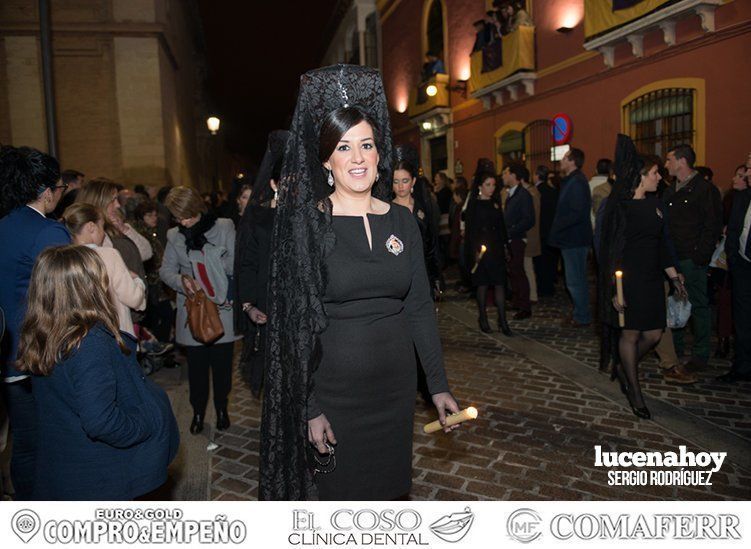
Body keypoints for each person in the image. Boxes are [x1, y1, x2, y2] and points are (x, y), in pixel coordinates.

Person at [260, 65, 459, 501]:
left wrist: (438, 384)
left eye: (366, 145)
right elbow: (294, 327)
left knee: (389, 495)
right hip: (335, 392)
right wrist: (310, 408)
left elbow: (420, 308)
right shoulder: (306, 224)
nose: (357, 157)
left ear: (378, 152)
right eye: (344, 147)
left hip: (395, 390)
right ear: (327, 160)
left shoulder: (403, 221)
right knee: (340, 501)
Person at [16, 245, 178, 500]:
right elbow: (101, 421)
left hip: (65, 467)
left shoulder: (43, 331)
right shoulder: (89, 341)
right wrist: (148, 421)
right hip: (99, 478)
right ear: (87, 287)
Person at [599, 137, 688, 419]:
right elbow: (611, 251)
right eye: (654, 174)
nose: (659, 178)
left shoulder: (657, 206)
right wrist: (614, 289)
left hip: (652, 279)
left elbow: (663, 245)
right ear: (640, 176)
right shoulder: (620, 208)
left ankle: (625, 367)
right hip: (628, 280)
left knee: (653, 333)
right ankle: (635, 393)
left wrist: (674, 277)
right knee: (631, 333)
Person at [0, 145, 71, 500]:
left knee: (23, 443)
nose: (62, 194)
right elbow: (69, 299)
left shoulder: (4, 224)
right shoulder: (49, 233)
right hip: (36, 355)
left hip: (6, 350)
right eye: (61, 188)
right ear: (46, 193)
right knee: (47, 443)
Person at [160, 186, 238, 434]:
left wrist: (209, 266)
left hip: (221, 309)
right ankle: (198, 412)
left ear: (197, 208)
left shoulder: (224, 227)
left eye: (187, 215)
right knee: (197, 372)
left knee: (223, 367)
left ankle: (222, 408)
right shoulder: (174, 235)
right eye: (178, 217)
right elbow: (166, 271)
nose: (183, 221)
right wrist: (182, 281)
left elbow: (235, 264)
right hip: (192, 310)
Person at [236, 130, 288, 399]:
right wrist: (248, 305)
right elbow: (247, 263)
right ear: (274, 183)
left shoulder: (312, 217)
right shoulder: (258, 218)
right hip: (267, 308)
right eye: (287, 181)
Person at [663, 144, 722, 371]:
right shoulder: (670, 190)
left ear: (682, 161)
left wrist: (700, 256)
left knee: (697, 304)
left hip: (691, 258)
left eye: (669, 160)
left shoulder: (704, 190)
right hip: (673, 258)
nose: (666, 164)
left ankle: (700, 354)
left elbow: (712, 225)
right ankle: (676, 349)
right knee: (674, 303)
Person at [62, 203, 146, 337]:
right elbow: (133, 298)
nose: (104, 233)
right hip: (115, 334)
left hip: (81, 336)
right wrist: (137, 280)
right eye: (102, 227)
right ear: (91, 227)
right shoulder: (109, 255)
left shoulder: (64, 258)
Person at [549, 148, 593, 326]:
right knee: (574, 279)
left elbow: (576, 213)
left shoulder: (577, 182)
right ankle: (579, 312)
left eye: (564, 158)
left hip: (574, 239)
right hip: (571, 238)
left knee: (575, 281)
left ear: (572, 161)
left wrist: (557, 227)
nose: (561, 161)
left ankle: (582, 316)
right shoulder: (572, 181)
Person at [76, 178, 152, 278]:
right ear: (99, 202)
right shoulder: (90, 232)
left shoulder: (118, 225)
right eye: (113, 200)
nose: (118, 205)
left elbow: (147, 252)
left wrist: (124, 228)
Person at [466, 172, 512, 335]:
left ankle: (503, 320)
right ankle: (483, 317)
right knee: (483, 284)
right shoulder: (474, 205)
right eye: (488, 185)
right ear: (480, 186)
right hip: (482, 249)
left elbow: (501, 227)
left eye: (493, 185)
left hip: (496, 248)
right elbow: (471, 231)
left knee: (500, 283)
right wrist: (475, 251)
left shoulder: (495, 203)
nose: (491, 188)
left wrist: (506, 246)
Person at [392, 145, 441, 297]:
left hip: (422, 272)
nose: (400, 186)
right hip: (396, 274)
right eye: (396, 181)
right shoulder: (385, 210)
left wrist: (435, 275)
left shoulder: (422, 209)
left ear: (413, 182)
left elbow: (431, 243)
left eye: (405, 180)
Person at [718, 161, 751, 382]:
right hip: (743, 266)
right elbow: (735, 230)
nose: (747, 174)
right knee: (743, 319)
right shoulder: (742, 197)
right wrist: (734, 258)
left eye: (750, 169)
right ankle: (743, 367)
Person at [502, 164, 534, 319]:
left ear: (513, 175)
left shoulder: (523, 195)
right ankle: (516, 300)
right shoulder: (511, 194)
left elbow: (529, 220)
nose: (503, 176)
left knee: (518, 272)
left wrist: (511, 230)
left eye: (505, 173)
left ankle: (524, 306)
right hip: (509, 238)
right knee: (513, 272)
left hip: (516, 239)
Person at [533, 165, 559, 297]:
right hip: (551, 230)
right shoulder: (552, 191)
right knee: (550, 261)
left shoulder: (536, 192)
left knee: (540, 262)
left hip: (539, 231)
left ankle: (543, 287)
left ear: (537, 175)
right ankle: (549, 286)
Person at [522, 171, 541, 303]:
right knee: (527, 266)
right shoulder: (533, 192)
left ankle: (532, 295)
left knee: (527, 266)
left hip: (529, 235)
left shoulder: (530, 193)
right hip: (530, 234)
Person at [589, 158, 612, 227]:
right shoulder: (612, 187)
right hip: (606, 227)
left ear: (596, 170)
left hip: (588, 227)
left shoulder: (586, 185)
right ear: (611, 171)